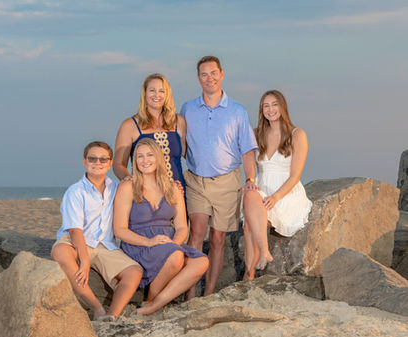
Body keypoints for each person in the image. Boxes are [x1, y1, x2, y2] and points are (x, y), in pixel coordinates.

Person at [181, 55, 267, 297]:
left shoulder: (237, 111)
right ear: (198, 78)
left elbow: (247, 151)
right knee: (196, 233)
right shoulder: (188, 109)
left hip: (227, 181)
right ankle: (189, 294)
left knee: (217, 239)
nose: (210, 78)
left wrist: (250, 181)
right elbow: (180, 145)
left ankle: (208, 294)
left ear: (222, 74)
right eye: (204, 74)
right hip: (196, 180)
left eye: (213, 73)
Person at [114, 138, 208, 315]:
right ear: (134, 161)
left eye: (150, 155)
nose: (145, 160)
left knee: (201, 262)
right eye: (140, 156)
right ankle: (149, 300)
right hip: (139, 245)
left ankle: (154, 304)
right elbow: (119, 229)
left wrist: (173, 244)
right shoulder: (128, 186)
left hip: (168, 243)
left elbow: (181, 226)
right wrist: (149, 242)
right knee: (175, 256)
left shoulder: (173, 188)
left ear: (158, 158)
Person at [51, 141, 143, 321]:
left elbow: (145, 192)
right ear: (85, 162)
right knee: (60, 252)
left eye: (103, 159)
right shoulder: (75, 191)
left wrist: (175, 187)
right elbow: (75, 230)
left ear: (110, 164)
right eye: (92, 159)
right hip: (75, 241)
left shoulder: (117, 188)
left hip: (104, 245)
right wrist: (84, 261)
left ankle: (111, 316)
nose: (97, 163)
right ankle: (97, 307)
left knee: (135, 271)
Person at [243, 90, 312, 279]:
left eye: (274, 104)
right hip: (262, 187)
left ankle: (248, 274)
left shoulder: (297, 134)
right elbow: (246, 157)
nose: (270, 109)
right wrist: (250, 181)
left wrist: (276, 197)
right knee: (250, 196)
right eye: (266, 106)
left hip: (285, 191)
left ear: (282, 107)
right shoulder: (256, 134)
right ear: (261, 110)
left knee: (251, 221)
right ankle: (260, 257)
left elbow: (295, 175)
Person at [113, 73, 186, 190]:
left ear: (167, 95)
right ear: (145, 93)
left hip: (178, 192)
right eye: (152, 90)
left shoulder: (179, 122)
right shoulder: (130, 125)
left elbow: (190, 155)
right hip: (146, 195)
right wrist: (131, 182)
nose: (156, 95)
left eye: (161, 91)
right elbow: (118, 165)